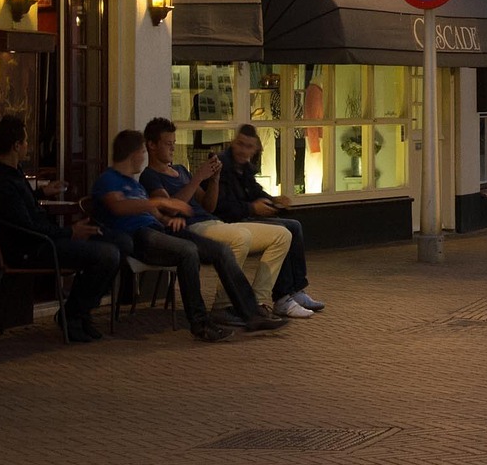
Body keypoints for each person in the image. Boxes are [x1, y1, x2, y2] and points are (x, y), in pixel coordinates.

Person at [91, 130, 283, 342]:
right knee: (188, 251)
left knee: (221, 250)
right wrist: (160, 202)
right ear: (133, 153)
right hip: (139, 236)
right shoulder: (109, 179)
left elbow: (155, 214)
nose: (143, 156)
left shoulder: (134, 184)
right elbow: (118, 207)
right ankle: (201, 324)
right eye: (142, 152)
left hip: (158, 229)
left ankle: (252, 315)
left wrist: (168, 219)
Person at [0, 116, 130, 343]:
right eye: (26, 141)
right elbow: (24, 226)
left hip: (44, 238)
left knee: (120, 242)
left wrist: (41, 193)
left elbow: (20, 206)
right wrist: (70, 232)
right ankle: (73, 315)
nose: (28, 146)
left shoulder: (13, 172)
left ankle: (80, 311)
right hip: (31, 249)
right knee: (106, 254)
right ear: (16, 146)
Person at [140, 117, 290, 329]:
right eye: (168, 144)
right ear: (152, 145)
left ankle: (257, 301)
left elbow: (208, 205)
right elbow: (171, 207)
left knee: (282, 234)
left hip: (212, 222)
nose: (172, 148)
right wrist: (197, 178)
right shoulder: (150, 176)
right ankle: (223, 305)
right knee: (240, 237)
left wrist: (214, 179)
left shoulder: (181, 170)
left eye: (174, 143)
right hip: (191, 228)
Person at [217, 124, 325, 319]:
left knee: (294, 225)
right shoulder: (222, 166)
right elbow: (220, 205)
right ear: (233, 143)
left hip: (244, 216)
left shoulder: (244, 168)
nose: (243, 150)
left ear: (255, 149)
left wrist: (274, 201)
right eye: (240, 144)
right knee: (283, 231)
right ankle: (282, 297)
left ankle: (296, 289)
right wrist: (252, 208)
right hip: (230, 221)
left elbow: (255, 191)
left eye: (248, 146)